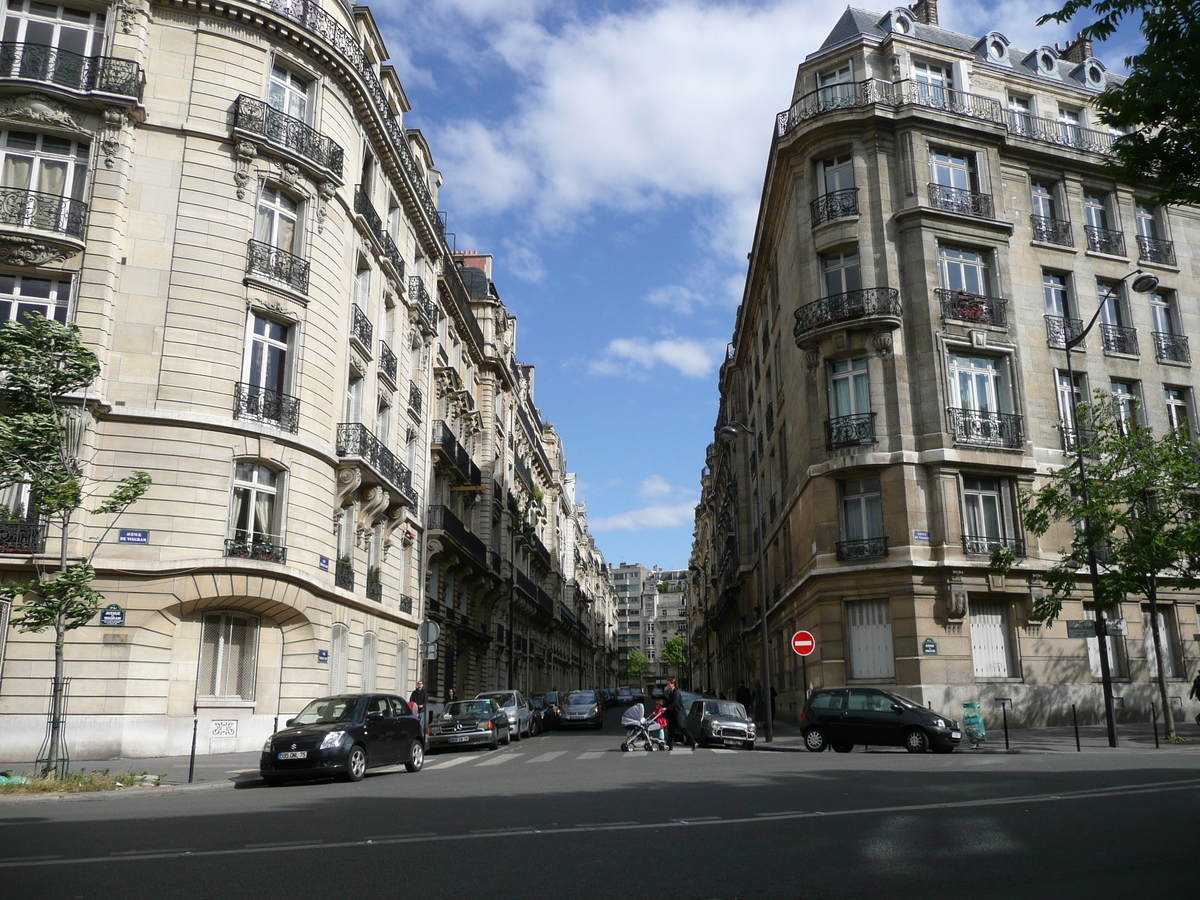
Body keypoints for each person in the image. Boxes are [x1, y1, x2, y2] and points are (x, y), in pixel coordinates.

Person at [663, 676, 698, 751]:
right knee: (671, 730)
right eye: (667, 684)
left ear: (673, 684)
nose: (668, 685)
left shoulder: (676, 693)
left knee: (681, 727)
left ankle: (693, 742)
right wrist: (661, 707)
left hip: (679, 713)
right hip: (672, 714)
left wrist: (666, 708)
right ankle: (669, 746)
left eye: (669, 684)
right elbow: (668, 702)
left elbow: (675, 703)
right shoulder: (670, 693)